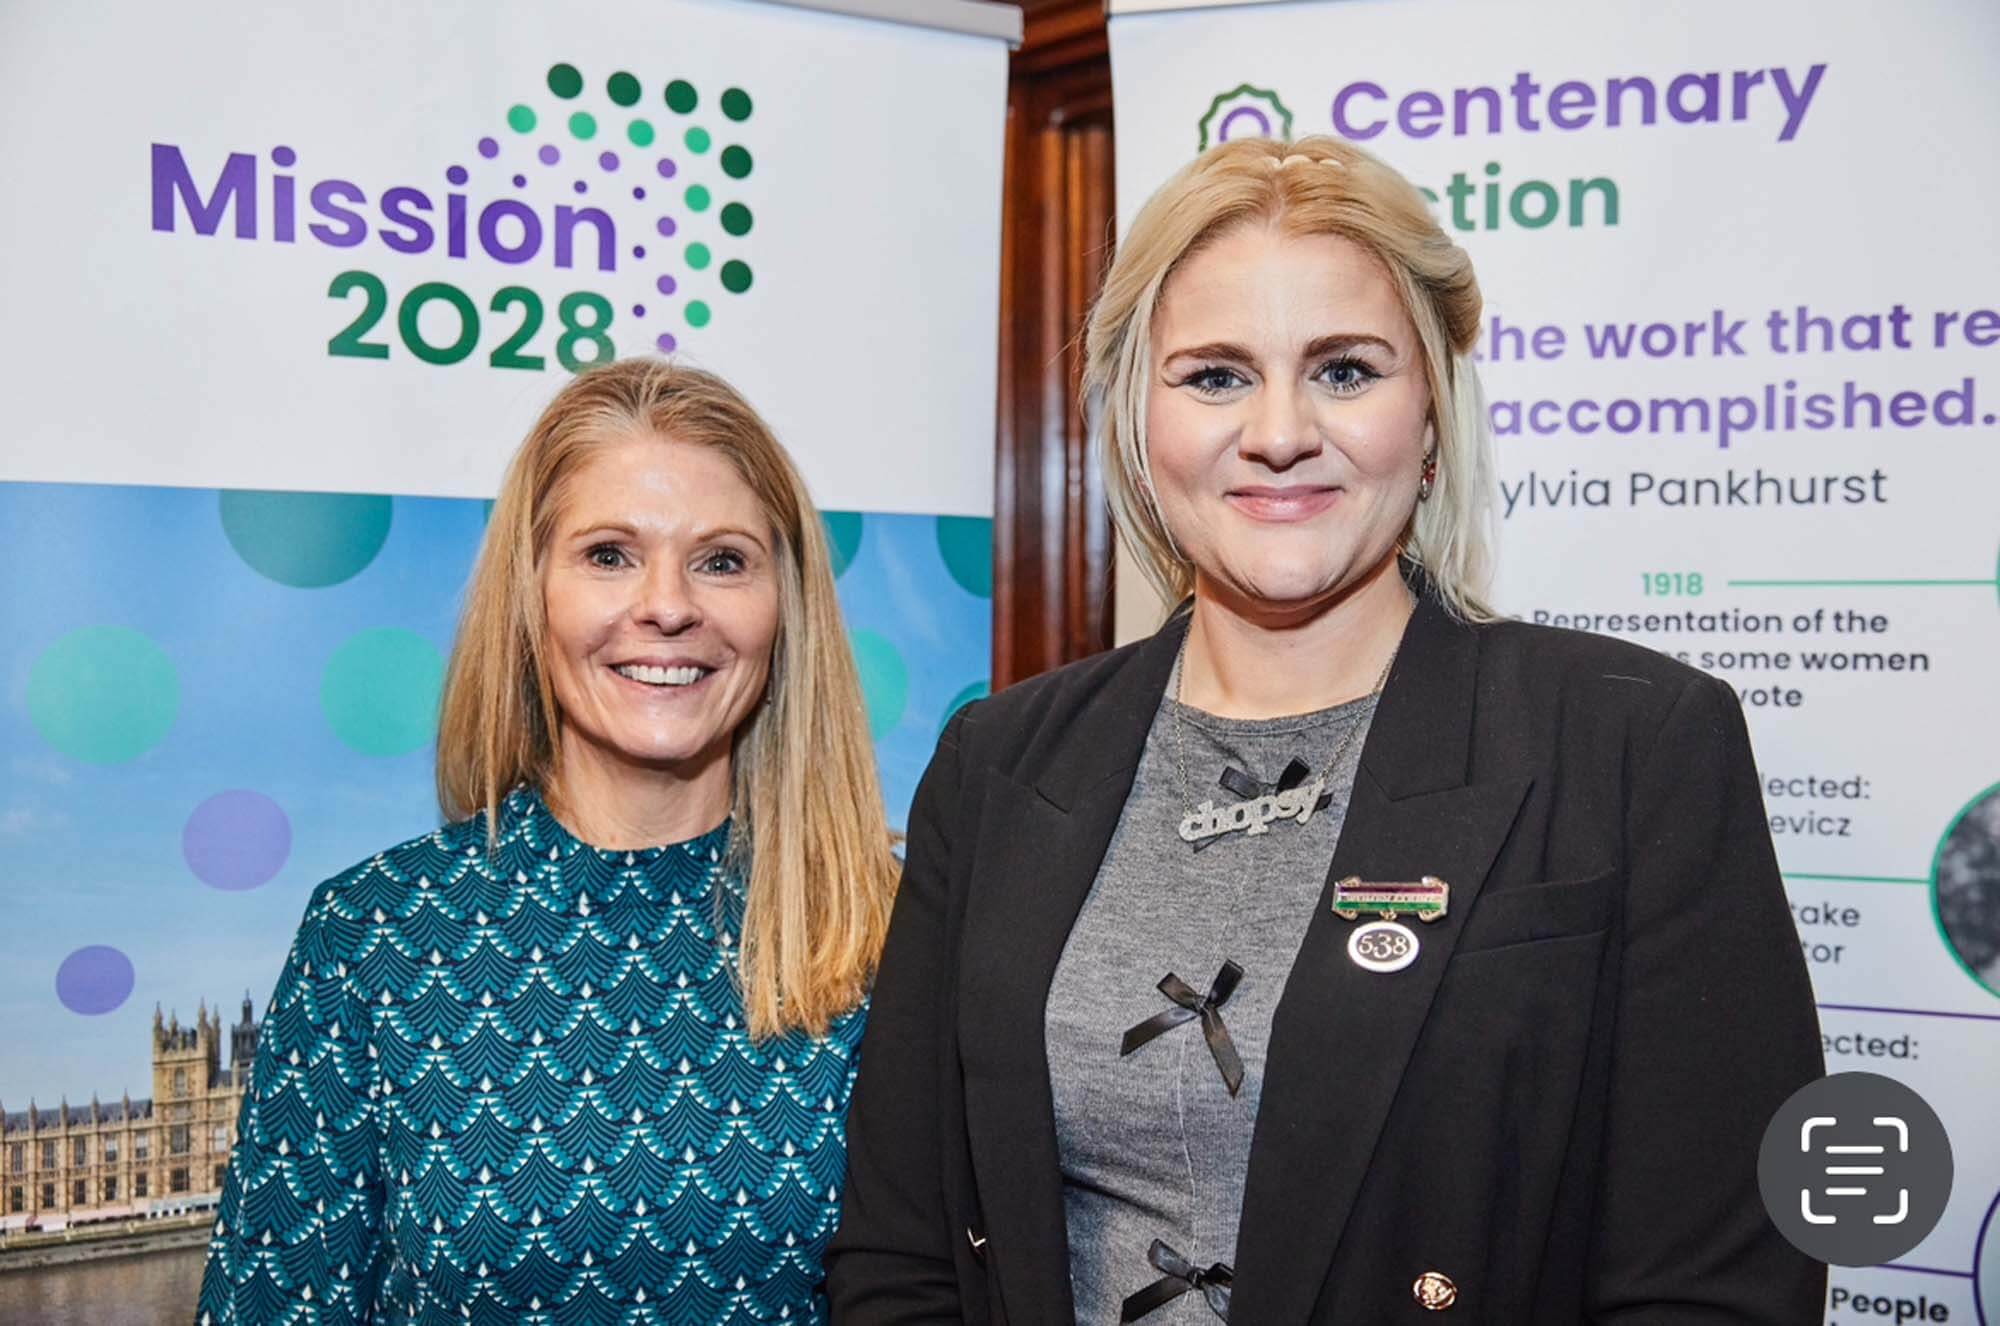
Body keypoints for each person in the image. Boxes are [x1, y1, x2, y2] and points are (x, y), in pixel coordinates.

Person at [826, 136, 1823, 1323]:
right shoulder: (999, 764)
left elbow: (1717, 1288)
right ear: (1139, 420)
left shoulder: (1633, 746)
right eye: (1212, 376)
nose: (1280, 431)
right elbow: (903, 1253)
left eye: (1344, 370)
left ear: (1433, 409)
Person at [198, 360, 899, 1325]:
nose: (667, 604)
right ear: (532, 596)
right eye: (609, 553)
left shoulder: (888, 935)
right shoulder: (372, 939)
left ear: (786, 605)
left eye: (723, 559)